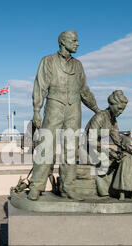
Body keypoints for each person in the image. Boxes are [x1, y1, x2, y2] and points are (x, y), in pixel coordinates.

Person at [28, 30, 100, 201]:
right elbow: (40, 86)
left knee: (71, 149)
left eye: (77, 40)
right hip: (54, 105)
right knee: (46, 147)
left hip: (74, 108)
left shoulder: (78, 65)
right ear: (62, 42)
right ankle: (36, 186)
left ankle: (68, 187)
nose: (77, 43)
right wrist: (37, 110)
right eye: (74, 40)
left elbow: (84, 90)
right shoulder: (48, 61)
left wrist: (96, 108)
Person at [84, 90, 132, 197]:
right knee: (108, 161)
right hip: (86, 150)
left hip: (98, 149)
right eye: (119, 108)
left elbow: (118, 140)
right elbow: (91, 140)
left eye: (123, 110)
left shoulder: (113, 121)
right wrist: (108, 151)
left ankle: (124, 189)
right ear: (111, 105)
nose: (121, 112)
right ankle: (104, 190)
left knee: (124, 159)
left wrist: (130, 148)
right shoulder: (100, 117)